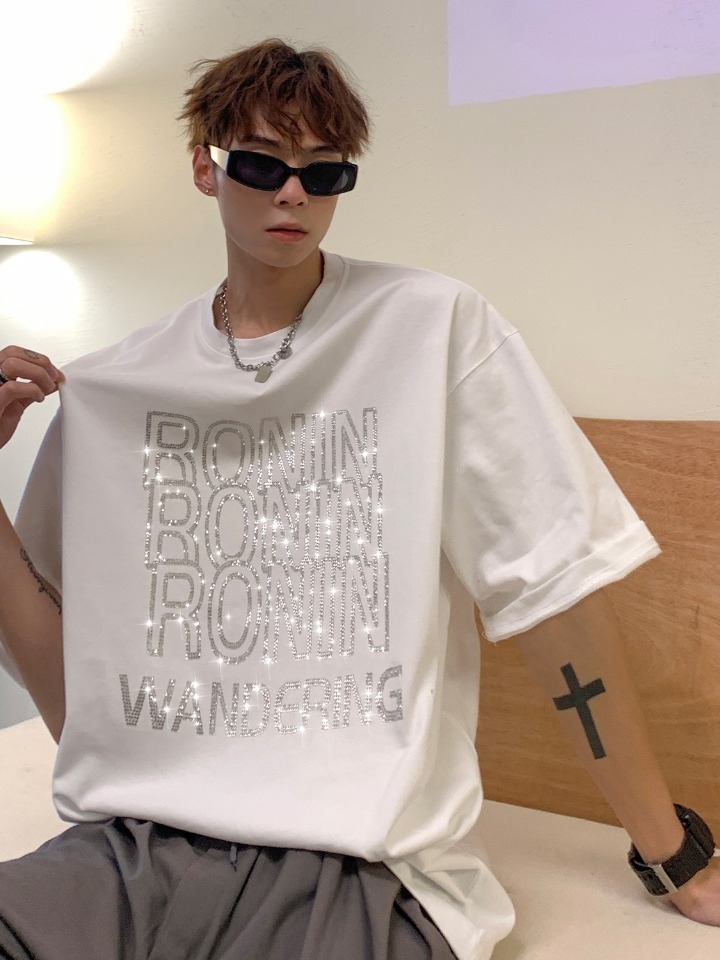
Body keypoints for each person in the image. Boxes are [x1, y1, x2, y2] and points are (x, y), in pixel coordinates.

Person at [0, 37, 717, 960]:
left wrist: (670, 852)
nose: (292, 195)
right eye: (260, 164)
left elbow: (554, 598)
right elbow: (81, 704)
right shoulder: (121, 386)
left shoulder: (433, 331)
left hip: (361, 865)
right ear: (204, 168)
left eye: (324, 171)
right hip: (135, 850)